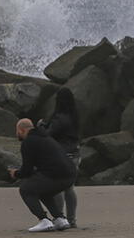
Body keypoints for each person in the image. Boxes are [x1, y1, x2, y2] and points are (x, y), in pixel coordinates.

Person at [9, 119, 76, 232]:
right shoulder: (46, 137)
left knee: (25, 189)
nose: (17, 134)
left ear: (21, 130)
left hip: (56, 175)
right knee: (42, 190)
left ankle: (43, 220)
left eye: (17, 131)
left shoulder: (28, 142)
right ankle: (60, 219)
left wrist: (15, 173)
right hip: (70, 175)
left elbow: (27, 170)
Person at [38, 87, 81, 228]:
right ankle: (72, 220)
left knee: (58, 188)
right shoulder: (74, 116)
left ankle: (60, 218)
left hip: (63, 155)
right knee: (70, 188)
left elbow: (49, 135)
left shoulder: (59, 117)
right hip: (75, 154)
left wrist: (40, 127)